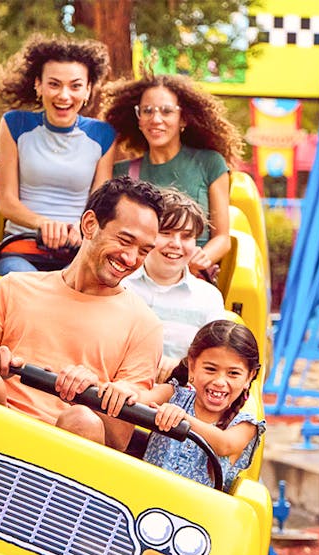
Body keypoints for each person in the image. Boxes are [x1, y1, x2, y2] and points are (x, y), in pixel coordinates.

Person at [0, 176, 165, 450]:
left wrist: (91, 394)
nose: (131, 259)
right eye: (124, 241)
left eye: (143, 251)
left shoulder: (145, 326)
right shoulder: (13, 287)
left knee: (81, 420)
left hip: (65, 459)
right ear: (90, 225)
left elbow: (118, 440)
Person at [0, 35, 115, 273]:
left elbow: (100, 203)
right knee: (28, 289)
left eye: (75, 86)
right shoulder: (15, 124)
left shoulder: (102, 135)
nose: (64, 95)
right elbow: (7, 200)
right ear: (38, 85)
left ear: (88, 90)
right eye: (54, 84)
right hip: (22, 246)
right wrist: (42, 223)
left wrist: (82, 227)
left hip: (77, 252)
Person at [100, 74, 245, 279]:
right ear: (138, 119)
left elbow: (222, 238)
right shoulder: (121, 173)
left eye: (167, 111)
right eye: (147, 111)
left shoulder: (209, 163)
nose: (155, 119)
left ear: (182, 118)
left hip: (191, 277)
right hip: (135, 280)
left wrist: (199, 259)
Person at [100, 320, 263, 491]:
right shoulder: (174, 394)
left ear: (249, 377)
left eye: (233, 373)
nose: (220, 381)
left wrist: (184, 419)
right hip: (145, 500)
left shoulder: (245, 425)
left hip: (194, 514)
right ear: (192, 367)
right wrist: (125, 390)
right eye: (210, 369)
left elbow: (225, 444)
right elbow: (141, 398)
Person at [122, 189, 228, 382]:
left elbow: (216, 358)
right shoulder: (122, 284)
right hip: (121, 387)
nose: (176, 244)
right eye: (166, 233)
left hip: (177, 394)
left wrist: (182, 366)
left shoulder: (207, 297)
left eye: (187, 236)